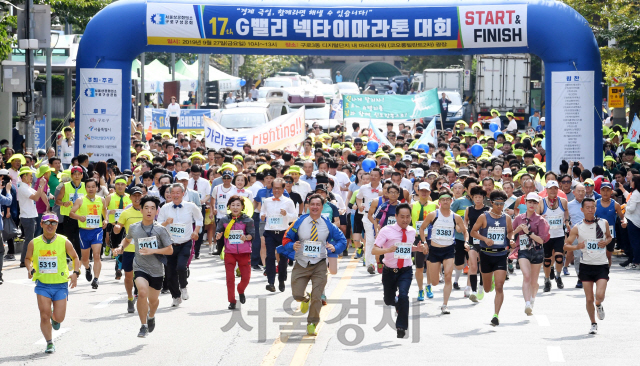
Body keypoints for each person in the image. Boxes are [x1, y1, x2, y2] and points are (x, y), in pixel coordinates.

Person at [278, 194, 347, 336]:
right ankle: (305, 299)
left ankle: (312, 323)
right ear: (308, 206)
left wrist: (335, 248)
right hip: (301, 263)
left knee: (318, 297)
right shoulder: (299, 222)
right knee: (297, 294)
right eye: (312, 204)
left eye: (318, 204)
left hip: (320, 264)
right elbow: (286, 238)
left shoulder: (328, 223)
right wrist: (292, 245)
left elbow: (342, 240)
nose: (315, 207)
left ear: (322, 207)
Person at [113, 195, 174, 337]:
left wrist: (153, 251)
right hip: (140, 266)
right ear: (141, 210)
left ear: (156, 211)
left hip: (157, 270)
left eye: (152, 208)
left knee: (153, 301)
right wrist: (120, 247)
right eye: (146, 207)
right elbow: (127, 240)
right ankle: (143, 325)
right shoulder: (134, 228)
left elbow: (170, 250)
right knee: (141, 292)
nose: (149, 211)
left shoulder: (160, 230)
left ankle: (151, 315)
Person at [24, 213, 80, 353]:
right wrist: (30, 268)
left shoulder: (64, 241)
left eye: (53, 223)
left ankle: (54, 317)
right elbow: (27, 258)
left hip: (60, 284)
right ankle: (49, 343)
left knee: (59, 318)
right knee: (44, 315)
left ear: (57, 225)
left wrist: (75, 273)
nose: (50, 225)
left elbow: (75, 257)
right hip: (42, 285)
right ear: (41, 224)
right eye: (47, 223)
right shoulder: (34, 242)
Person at [372, 203, 425, 338]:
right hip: (389, 270)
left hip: (405, 270)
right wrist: (387, 250)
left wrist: (417, 249)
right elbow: (374, 249)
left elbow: (407, 247)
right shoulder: (386, 230)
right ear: (396, 216)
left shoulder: (412, 231)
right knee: (388, 300)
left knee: (403, 295)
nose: (405, 220)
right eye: (402, 217)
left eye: (408, 217)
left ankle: (401, 326)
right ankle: (395, 303)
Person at [564, 198, 612, 335]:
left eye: (593, 207)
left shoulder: (604, 223)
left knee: (600, 296)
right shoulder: (577, 227)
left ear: (595, 208)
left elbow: (609, 237)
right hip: (586, 266)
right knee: (589, 298)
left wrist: (605, 242)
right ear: (582, 210)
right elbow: (566, 245)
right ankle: (593, 323)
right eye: (588, 207)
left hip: (601, 264)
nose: (590, 210)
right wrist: (576, 247)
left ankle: (599, 305)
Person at [419, 188, 468, 314]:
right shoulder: (433, 215)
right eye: (443, 200)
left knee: (448, 277)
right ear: (439, 201)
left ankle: (445, 305)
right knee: (435, 282)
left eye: (448, 199)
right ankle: (431, 282)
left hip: (449, 250)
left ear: (451, 201)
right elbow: (422, 229)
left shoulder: (455, 217)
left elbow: (464, 231)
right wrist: (425, 243)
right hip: (435, 250)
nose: (445, 201)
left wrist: (466, 241)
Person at [470, 190, 515, 326]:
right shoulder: (484, 217)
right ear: (491, 203)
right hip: (486, 254)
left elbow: (510, 231)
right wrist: (484, 238)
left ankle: (496, 315)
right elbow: (473, 231)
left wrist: (511, 239)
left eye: (502, 204)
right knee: (488, 289)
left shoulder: (506, 217)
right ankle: (489, 282)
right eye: (497, 204)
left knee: (500, 287)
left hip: (501, 254)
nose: (500, 206)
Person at [158, 183, 203, 307]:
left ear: (183, 194)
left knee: (181, 267)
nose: (175, 195)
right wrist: (166, 222)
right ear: (169, 194)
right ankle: (176, 296)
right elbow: (158, 225)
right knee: (170, 273)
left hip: (185, 242)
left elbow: (199, 219)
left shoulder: (191, 206)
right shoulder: (165, 208)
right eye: (173, 193)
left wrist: (196, 231)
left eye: (178, 193)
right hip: (170, 245)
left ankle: (183, 286)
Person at [215, 195, 254, 309]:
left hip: (244, 252)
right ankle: (232, 300)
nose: (235, 207)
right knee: (230, 278)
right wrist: (218, 235)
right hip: (229, 252)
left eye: (238, 205)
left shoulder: (248, 220)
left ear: (242, 207)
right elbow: (218, 232)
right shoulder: (224, 220)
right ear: (229, 206)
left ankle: (240, 290)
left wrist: (246, 237)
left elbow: (253, 235)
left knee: (246, 278)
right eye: (233, 205)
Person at [513, 193, 550, 315]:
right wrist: (517, 230)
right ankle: (527, 303)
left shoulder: (541, 220)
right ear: (525, 202)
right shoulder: (518, 218)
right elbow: (510, 234)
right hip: (523, 250)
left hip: (537, 251)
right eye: (530, 202)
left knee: (534, 281)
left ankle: (532, 298)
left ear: (537, 204)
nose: (532, 204)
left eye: (534, 202)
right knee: (526, 276)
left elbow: (542, 240)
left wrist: (528, 233)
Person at [69, 178, 108, 289]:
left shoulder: (101, 199)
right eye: (88, 187)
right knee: (85, 259)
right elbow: (71, 213)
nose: (91, 189)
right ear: (85, 188)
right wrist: (79, 217)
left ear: (97, 188)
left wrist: (106, 220)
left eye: (93, 186)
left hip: (97, 230)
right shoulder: (80, 200)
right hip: (84, 232)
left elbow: (105, 210)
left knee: (96, 255)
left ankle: (96, 279)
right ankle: (87, 268)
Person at [260, 178, 297, 293]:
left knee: (282, 259)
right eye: (274, 188)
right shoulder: (267, 201)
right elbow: (262, 212)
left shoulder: (288, 201)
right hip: (270, 232)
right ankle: (271, 282)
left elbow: (294, 217)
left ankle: (281, 280)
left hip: (283, 233)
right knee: (270, 256)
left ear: (283, 188)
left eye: (279, 188)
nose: (276, 190)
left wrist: (286, 215)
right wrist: (262, 216)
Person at [113, 187, 144, 313]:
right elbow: (118, 227)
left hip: (144, 250)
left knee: (143, 276)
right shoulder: (126, 213)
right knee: (128, 276)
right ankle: (130, 298)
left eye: (139, 196)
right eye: (134, 196)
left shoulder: (147, 210)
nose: (137, 198)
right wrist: (116, 227)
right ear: (130, 197)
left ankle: (141, 297)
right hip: (130, 249)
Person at [537, 180, 570, 292]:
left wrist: (567, 222)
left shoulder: (563, 201)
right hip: (546, 236)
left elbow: (566, 213)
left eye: (555, 188)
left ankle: (558, 276)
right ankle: (547, 280)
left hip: (559, 234)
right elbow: (536, 217)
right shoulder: (541, 202)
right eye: (550, 188)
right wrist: (541, 217)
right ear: (546, 190)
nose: (553, 191)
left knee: (559, 258)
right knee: (547, 260)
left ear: (558, 189)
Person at [17, 166, 48, 267]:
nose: (31, 177)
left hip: (30, 216)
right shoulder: (22, 187)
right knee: (29, 239)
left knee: (31, 239)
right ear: (24, 176)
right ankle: (23, 260)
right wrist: (41, 185)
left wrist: (48, 199)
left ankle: (28, 258)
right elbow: (36, 197)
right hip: (27, 217)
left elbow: (39, 194)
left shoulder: (26, 186)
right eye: (30, 175)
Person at [411, 182, 437, 300]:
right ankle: (420, 289)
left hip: (431, 238)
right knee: (419, 266)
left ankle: (429, 286)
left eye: (426, 191)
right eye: (422, 190)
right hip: (417, 238)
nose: (424, 193)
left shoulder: (434, 206)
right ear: (417, 191)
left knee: (430, 264)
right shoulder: (412, 205)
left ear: (429, 192)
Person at [56, 166, 86, 265]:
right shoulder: (66, 186)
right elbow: (57, 201)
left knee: (79, 238)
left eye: (79, 174)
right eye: (74, 174)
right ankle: (70, 257)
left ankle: (78, 259)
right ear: (71, 176)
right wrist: (64, 203)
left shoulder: (85, 186)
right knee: (68, 238)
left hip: (81, 217)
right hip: (68, 217)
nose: (77, 176)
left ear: (82, 175)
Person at [464, 185, 489, 302]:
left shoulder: (488, 210)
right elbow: (465, 224)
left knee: (483, 267)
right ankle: (473, 291)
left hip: (484, 240)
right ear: (472, 198)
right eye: (475, 197)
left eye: (480, 197)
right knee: (473, 265)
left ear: (483, 198)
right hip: (472, 240)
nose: (478, 199)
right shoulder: (469, 209)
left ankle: (481, 286)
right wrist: (465, 238)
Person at [595, 182, 626, 267]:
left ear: (611, 192)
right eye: (603, 190)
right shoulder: (595, 203)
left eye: (608, 190)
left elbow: (622, 217)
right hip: (597, 234)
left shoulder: (615, 204)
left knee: (608, 256)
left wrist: (624, 222)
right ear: (600, 192)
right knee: (598, 255)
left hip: (610, 235)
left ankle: (606, 273)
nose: (605, 192)